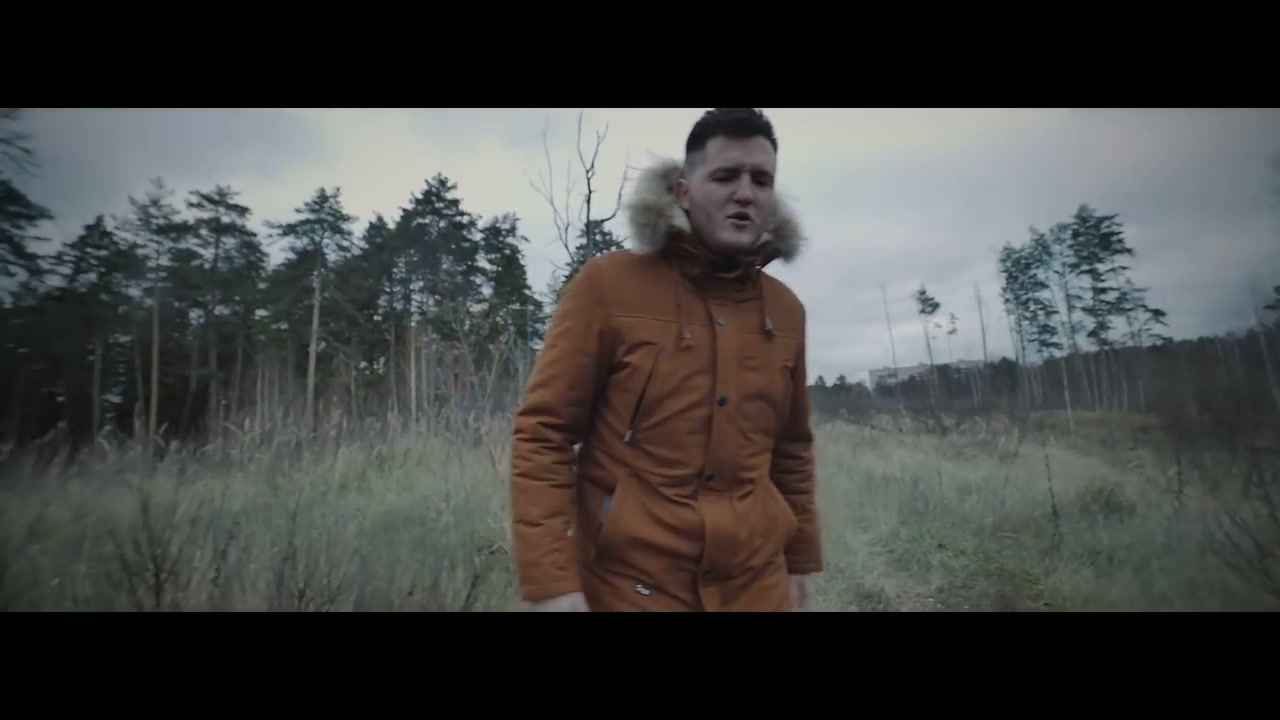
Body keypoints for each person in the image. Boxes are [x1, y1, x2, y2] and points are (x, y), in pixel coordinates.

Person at [509, 108, 822, 611]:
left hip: (756, 588)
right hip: (633, 591)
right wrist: (552, 584)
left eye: (761, 180)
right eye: (725, 176)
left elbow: (791, 450)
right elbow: (543, 434)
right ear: (684, 192)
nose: (745, 192)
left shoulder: (785, 312)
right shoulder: (607, 287)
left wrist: (801, 561)